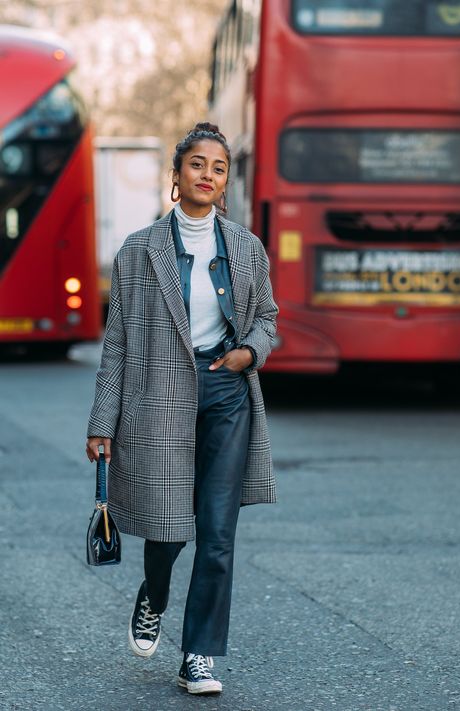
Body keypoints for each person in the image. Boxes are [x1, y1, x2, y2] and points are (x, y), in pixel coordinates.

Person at [86, 122, 278, 695]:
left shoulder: (245, 247)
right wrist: (103, 423)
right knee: (168, 530)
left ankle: (199, 655)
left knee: (217, 534)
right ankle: (154, 596)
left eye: (218, 168)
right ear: (177, 176)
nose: (208, 175)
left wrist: (248, 352)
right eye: (197, 164)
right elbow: (117, 340)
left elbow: (267, 318)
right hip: (159, 397)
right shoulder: (139, 250)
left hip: (225, 392)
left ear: (225, 182)